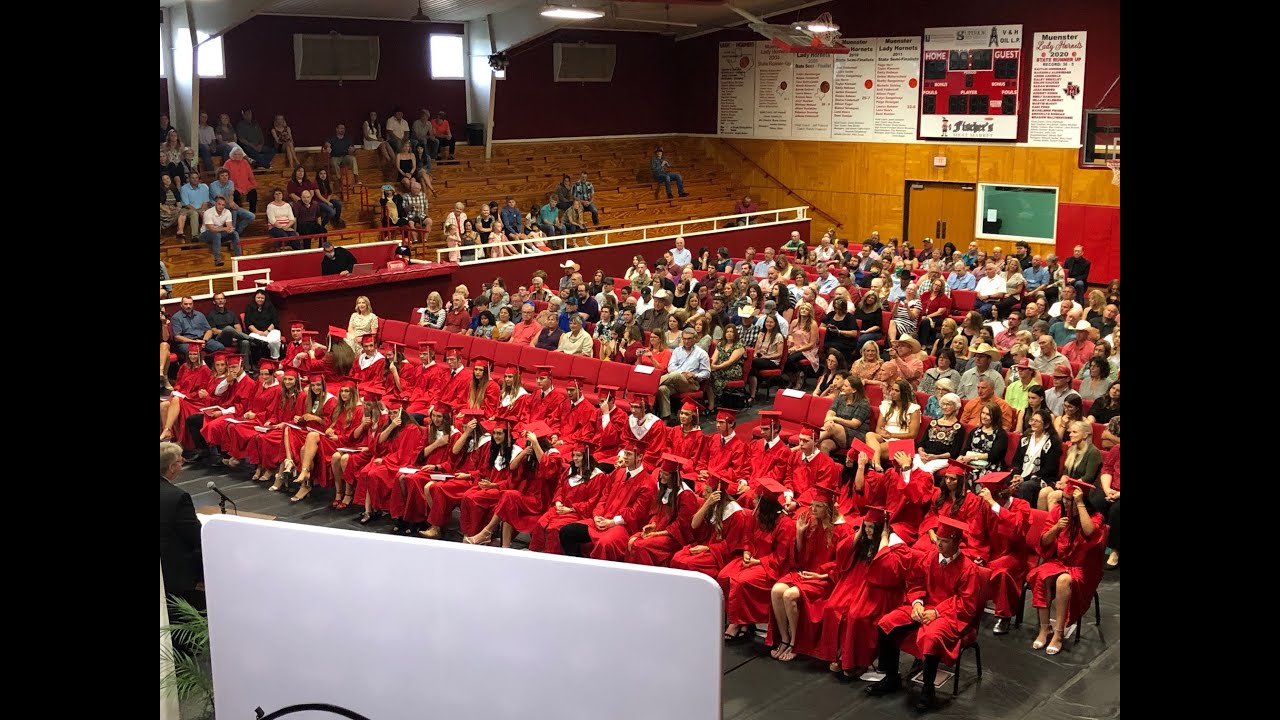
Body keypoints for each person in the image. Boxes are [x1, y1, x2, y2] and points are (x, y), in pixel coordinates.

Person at [864, 515, 983, 712]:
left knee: (932, 636)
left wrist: (937, 612)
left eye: (945, 541)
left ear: (956, 542)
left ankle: (928, 690)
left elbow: (966, 604)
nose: (939, 545)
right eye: (938, 540)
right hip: (924, 606)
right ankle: (891, 676)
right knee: (887, 623)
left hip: (949, 614)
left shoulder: (968, 569)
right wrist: (917, 602)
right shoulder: (929, 558)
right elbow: (915, 581)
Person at [1025, 480, 1105, 655]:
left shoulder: (1095, 516)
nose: (1066, 504)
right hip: (1059, 562)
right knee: (1041, 575)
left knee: (1063, 580)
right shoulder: (1057, 513)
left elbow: (1090, 532)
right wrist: (1055, 528)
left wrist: (1080, 504)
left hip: (1082, 567)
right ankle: (1045, 628)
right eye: (1065, 499)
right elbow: (1044, 542)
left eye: (1071, 500)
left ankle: (1059, 633)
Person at [159, 442, 204, 610]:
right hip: (173, 572)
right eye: (180, 461)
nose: (182, 463)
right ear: (172, 467)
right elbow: (194, 536)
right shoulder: (178, 497)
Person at [200, 196, 241, 267]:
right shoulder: (208, 213)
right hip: (205, 234)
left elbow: (229, 226)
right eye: (219, 204)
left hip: (219, 233)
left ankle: (239, 257)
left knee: (235, 233)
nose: (221, 206)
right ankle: (217, 258)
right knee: (217, 235)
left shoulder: (227, 212)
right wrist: (224, 228)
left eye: (223, 205)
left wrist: (229, 229)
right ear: (215, 204)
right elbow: (211, 229)